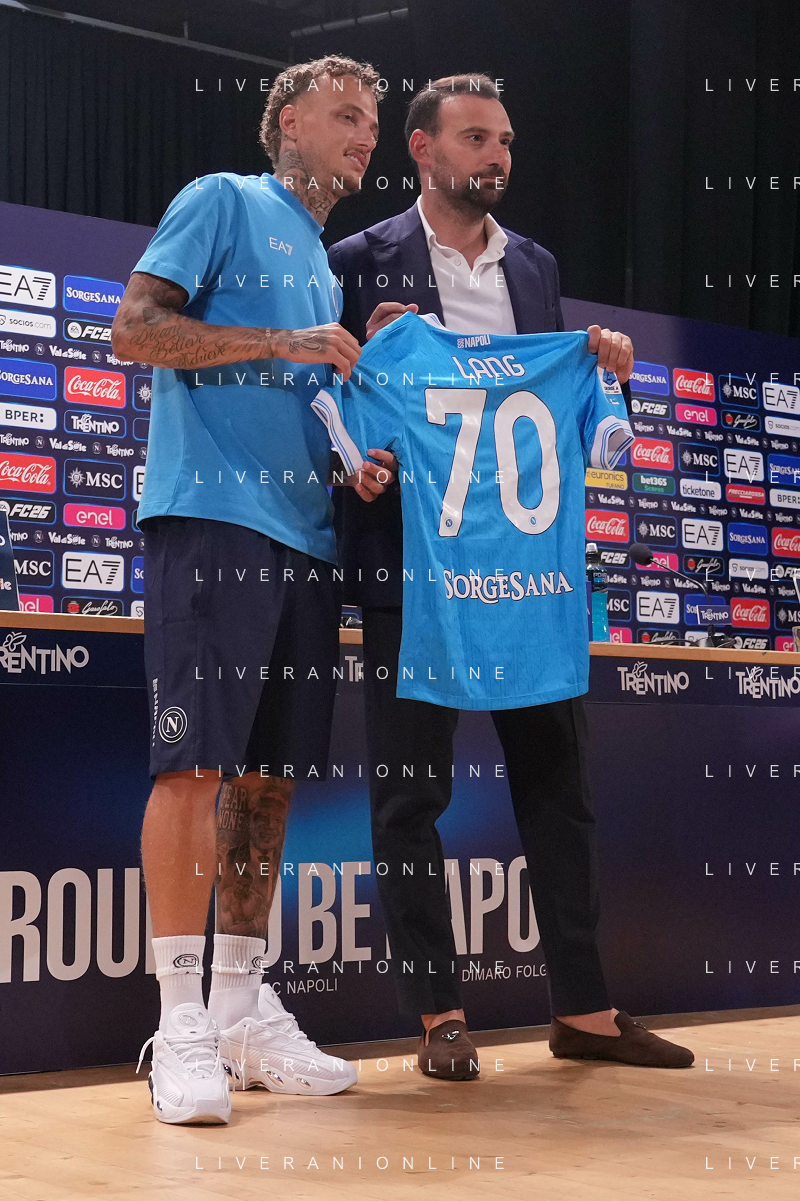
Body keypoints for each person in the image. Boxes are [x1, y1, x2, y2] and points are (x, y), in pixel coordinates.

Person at [328, 74, 694, 1077]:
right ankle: (437, 1015)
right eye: (477, 139)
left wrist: (603, 362)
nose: (497, 156)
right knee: (410, 798)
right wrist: (358, 444)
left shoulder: (534, 265)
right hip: (414, 569)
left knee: (559, 791)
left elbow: (552, 399)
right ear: (422, 150)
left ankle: (584, 1010)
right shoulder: (355, 262)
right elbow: (327, 403)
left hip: (529, 578)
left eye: (506, 141)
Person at [112, 55, 396, 1125]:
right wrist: (282, 340)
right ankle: (180, 1018)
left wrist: (350, 458)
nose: (363, 135)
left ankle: (238, 1007)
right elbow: (135, 330)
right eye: (345, 114)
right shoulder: (222, 200)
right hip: (212, 519)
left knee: (268, 783)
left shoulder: (322, 266)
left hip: (306, 539)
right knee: (194, 766)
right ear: (286, 121)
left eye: (372, 122)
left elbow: (297, 397)